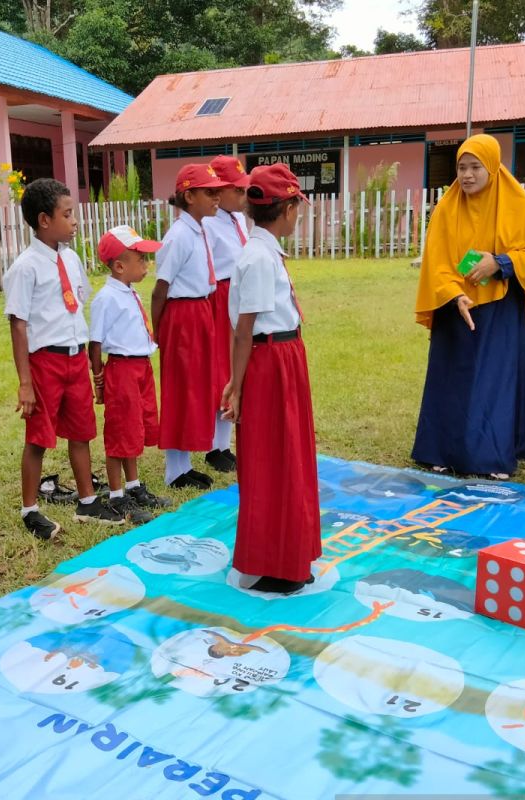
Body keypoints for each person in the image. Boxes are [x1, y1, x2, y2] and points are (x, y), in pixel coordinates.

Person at [412, 134, 525, 478]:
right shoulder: (447, 207)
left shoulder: (519, 204)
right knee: (451, 380)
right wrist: (454, 294)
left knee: (493, 381)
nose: (467, 175)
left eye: (475, 167)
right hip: (455, 305)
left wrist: (499, 263)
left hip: (499, 308)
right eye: (461, 167)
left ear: (492, 167)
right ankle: (439, 450)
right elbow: (437, 261)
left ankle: (489, 457)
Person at [4, 178, 125, 539]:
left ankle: (87, 501)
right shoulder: (26, 267)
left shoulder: (70, 259)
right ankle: (30, 509)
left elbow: (77, 308)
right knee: (39, 437)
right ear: (44, 220)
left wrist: (89, 361)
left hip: (74, 358)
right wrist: (25, 382)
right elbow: (18, 326)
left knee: (81, 431)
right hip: (45, 362)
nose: (74, 221)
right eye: (67, 214)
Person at [222, 163, 321, 594]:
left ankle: (290, 554)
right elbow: (244, 330)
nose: (299, 216)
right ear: (285, 210)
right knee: (271, 460)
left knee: (288, 455)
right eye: (297, 207)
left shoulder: (264, 252)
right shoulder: (259, 257)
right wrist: (237, 386)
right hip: (269, 361)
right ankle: (275, 562)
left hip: (281, 356)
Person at [151, 163, 232, 489]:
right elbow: (161, 289)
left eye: (217, 191)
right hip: (182, 315)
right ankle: (175, 470)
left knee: (197, 388)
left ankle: (184, 464)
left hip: (200, 310)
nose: (216, 198)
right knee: (181, 389)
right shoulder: (179, 236)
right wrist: (158, 331)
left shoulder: (198, 230)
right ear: (188, 195)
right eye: (209, 192)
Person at [88, 225, 171, 523]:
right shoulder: (106, 299)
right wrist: (99, 381)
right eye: (141, 259)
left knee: (134, 428)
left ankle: (134, 486)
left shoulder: (128, 292)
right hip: (121, 370)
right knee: (119, 433)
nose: (146, 264)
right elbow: (94, 344)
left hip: (140, 368)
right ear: (120, 266)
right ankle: (116, 495)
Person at [203, 154, 251, 473]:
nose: (243, 195)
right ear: (219, 192)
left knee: (240, 364)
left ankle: (226, 442)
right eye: (238, 189)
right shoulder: (207, 223)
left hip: (243, 293)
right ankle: (214, 446)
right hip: (220, 295)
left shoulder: (239, 220)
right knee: (223, 366)